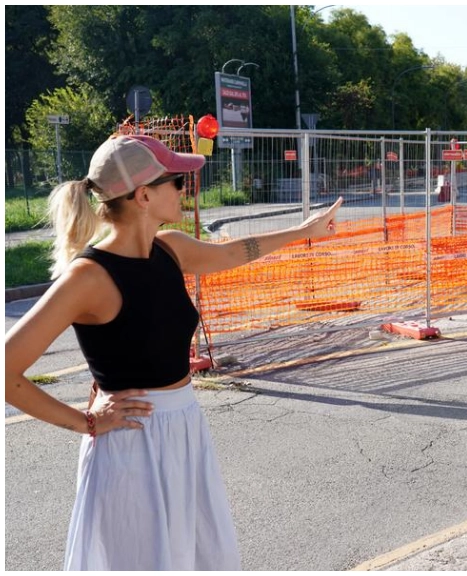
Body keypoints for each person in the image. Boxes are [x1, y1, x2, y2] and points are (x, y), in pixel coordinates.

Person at [4, 134, 343, 570]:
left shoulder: (171, 249)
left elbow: (234, 253)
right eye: (177, 182)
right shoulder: (87, 277)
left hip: (185, 428)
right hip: (131, 444)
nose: (186, 189)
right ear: (144, 195)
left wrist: (305, 230)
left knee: (198, 556)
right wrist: (86, 422)